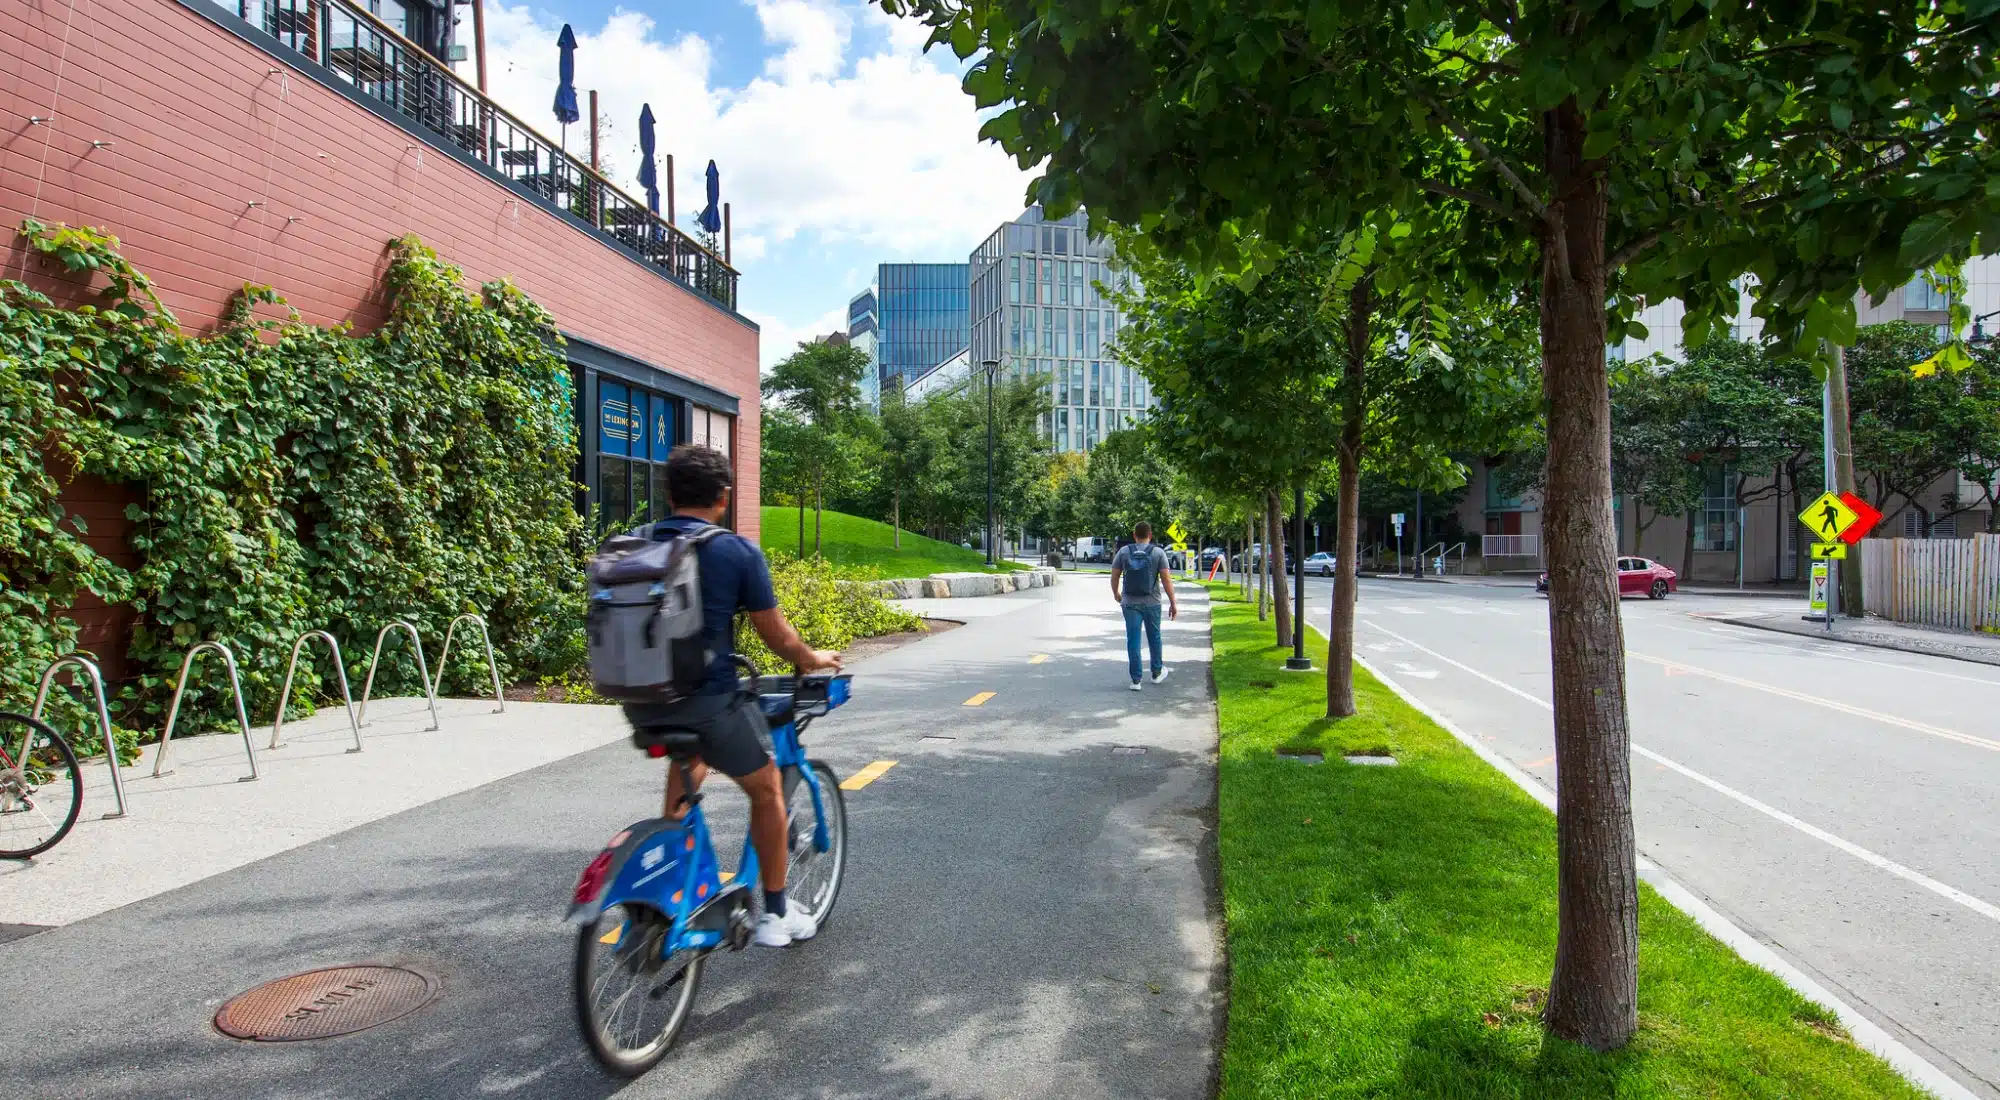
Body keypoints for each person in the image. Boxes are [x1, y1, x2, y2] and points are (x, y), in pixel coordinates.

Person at [628, 445, 842, 948]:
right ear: (723, 497)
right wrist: (813, 658)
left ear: (669, 493)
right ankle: (773, 912)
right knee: (766, 788)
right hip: (706, 702)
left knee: (691, 756)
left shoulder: (635, 543)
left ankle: (672, 864)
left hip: (640, 702)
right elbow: (777, 637)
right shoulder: (734, 551)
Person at [1109, 521, 1178, 690]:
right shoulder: (1158, 553)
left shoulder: (1124, 552)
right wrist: (1172, 602)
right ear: (1150, 535)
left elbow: (1115, 575)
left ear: (1134, 535)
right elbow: (1166, 579)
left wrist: (1116, 593)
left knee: (1133, 639)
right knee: (1154, 637)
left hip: (1130, 603)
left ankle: (1136, 680)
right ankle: (1156, 673)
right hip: (1152, 602)